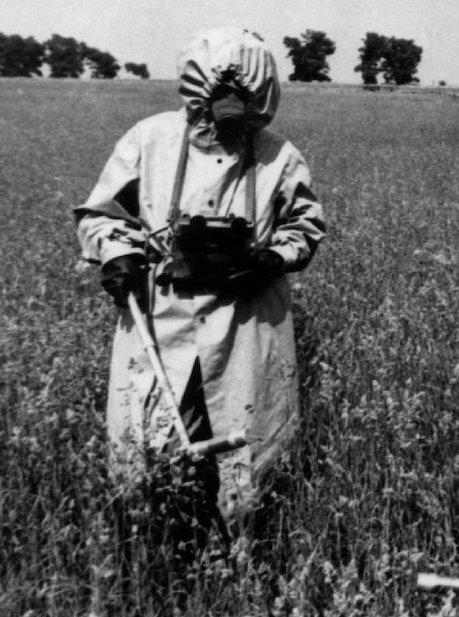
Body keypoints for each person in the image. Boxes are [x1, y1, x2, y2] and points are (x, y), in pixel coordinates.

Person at [73, 28, 325, 550]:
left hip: (246, 319)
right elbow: (100, 214)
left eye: (242, 101)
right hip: (160, 313)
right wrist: (117, 255)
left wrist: (269, 258)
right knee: (142, 446)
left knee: (248, 450)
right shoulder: (150, 139)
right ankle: (150, 550)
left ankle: (242, 552)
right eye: (216, 99)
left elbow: (305, 226)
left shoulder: (280, 155)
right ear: (196, 88)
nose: (226, 114)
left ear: (262, 98)